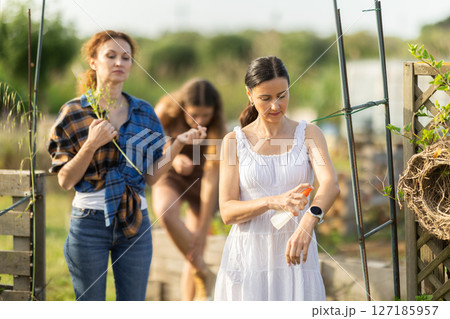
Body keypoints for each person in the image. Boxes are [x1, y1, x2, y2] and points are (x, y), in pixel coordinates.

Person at [47, 30, 206, 301]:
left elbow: (153, 178)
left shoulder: (144, 112)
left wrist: (178, 143)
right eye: (111, 56)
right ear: (94, 61)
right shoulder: (74, 112)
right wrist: (91, 144)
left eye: (126, 57)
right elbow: (65, 180)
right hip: (89, 223)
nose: (119, 63)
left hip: (136, 221)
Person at [214, 56, 340, 301]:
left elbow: (329, 184)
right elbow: (227, 211)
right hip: (248, 256)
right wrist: (272, 201)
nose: (276, 106)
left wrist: (307, 225)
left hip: (296, 253)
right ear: (249, 95)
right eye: (266, 98)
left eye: (282, 95)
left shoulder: (309, 134)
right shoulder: (233, 142)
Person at [152, 78, 226, 300]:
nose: (200, 121)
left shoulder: (218, 128)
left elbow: (212, 176)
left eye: (206, 115)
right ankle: (203, 269)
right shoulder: (166, 109)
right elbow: (151, 139)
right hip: (171, 173)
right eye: (194, 115)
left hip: (202, 181)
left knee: (195, 245)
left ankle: (189, 304)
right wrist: (173, 157)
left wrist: (203, 229)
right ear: (182, 106)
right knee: (165, 211)